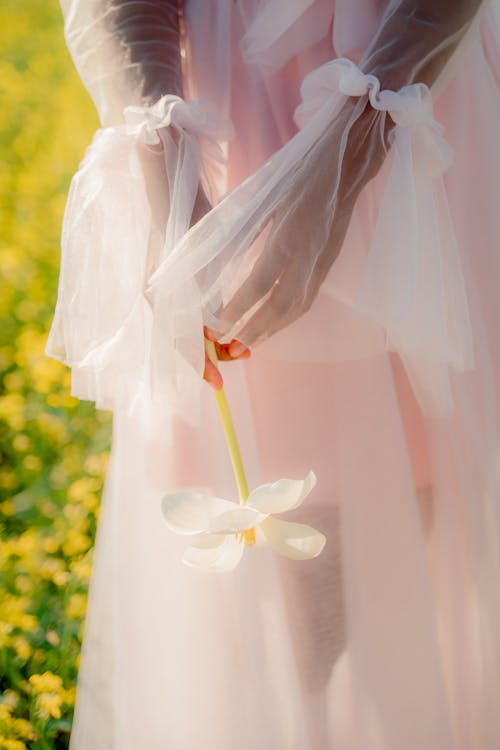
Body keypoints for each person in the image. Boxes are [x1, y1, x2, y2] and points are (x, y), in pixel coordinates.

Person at [46, 0, 500, 747]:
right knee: (278, 572)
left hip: (412, 81)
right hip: (231, 123)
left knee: (419, 513)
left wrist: (357, 137)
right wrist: (170, 164)